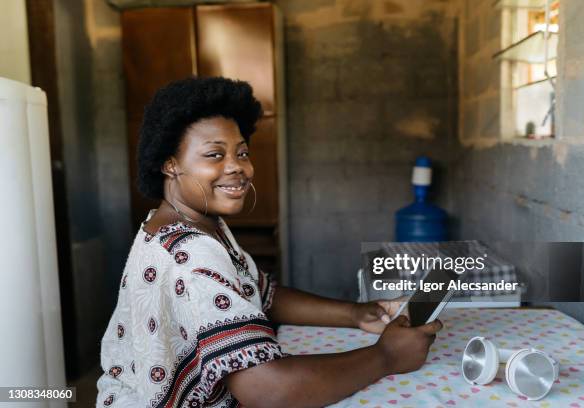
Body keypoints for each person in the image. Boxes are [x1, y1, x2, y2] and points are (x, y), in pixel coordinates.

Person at [96, 77, 442, 407]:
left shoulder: (193, 224)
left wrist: (356, 314)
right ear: (170, 164)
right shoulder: (190, 253)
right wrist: (386, 356)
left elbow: (261, 294)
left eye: (242, 153)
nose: (238, 168)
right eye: (215, 155)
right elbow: (266, 388)